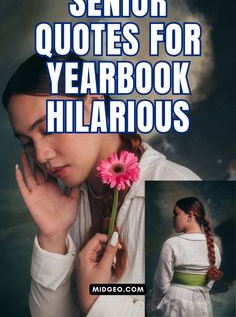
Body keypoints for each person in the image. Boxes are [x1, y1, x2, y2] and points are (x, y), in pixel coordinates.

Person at [2, 53, 201, 317]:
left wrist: (99, 302)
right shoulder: (69, 203)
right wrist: (53, 237)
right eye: (27, 142)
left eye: (48, 128)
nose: (40, 156)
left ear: (94, 103)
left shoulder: (176, 186)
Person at [147, 197, 222, 317]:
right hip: (202, 304)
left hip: (175, 303)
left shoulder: (172, 244)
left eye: (176, 214)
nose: (173, 219)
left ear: (190, 216)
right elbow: (208, 284)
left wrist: (153, 304)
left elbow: (161, 286)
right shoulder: (214, 248)